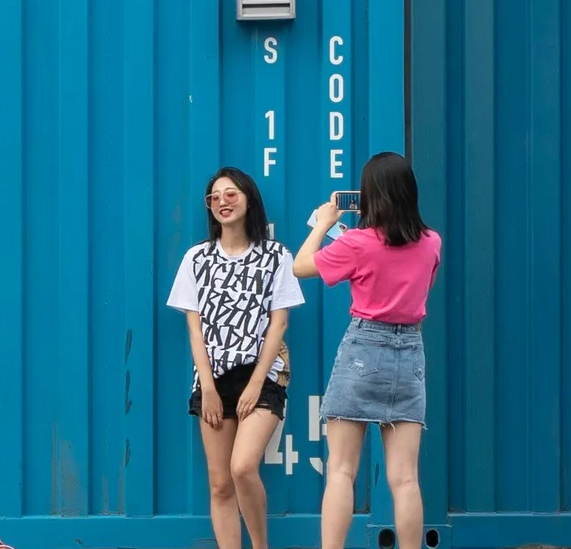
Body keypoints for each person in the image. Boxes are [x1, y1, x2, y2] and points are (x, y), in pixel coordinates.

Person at [292, 152, 442, 549]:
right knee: (405, 476)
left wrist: (325, 224)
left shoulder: (357, 242)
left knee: (341, 470)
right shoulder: (431, 242)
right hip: (410, 350)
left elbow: (300, 266)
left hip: (363, 347)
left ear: (370, 196)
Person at [166, 168, 306, 549]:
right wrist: (208, 388)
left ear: (249, 199)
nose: (222, 202)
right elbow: (195, 330)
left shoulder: (276, 256)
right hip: (212, 379)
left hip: (262, 375)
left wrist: (257, 384)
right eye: (215, 197)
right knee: (219, 483)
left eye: (231, 194)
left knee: (243, 467)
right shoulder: (196, 258)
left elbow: (279, 325)